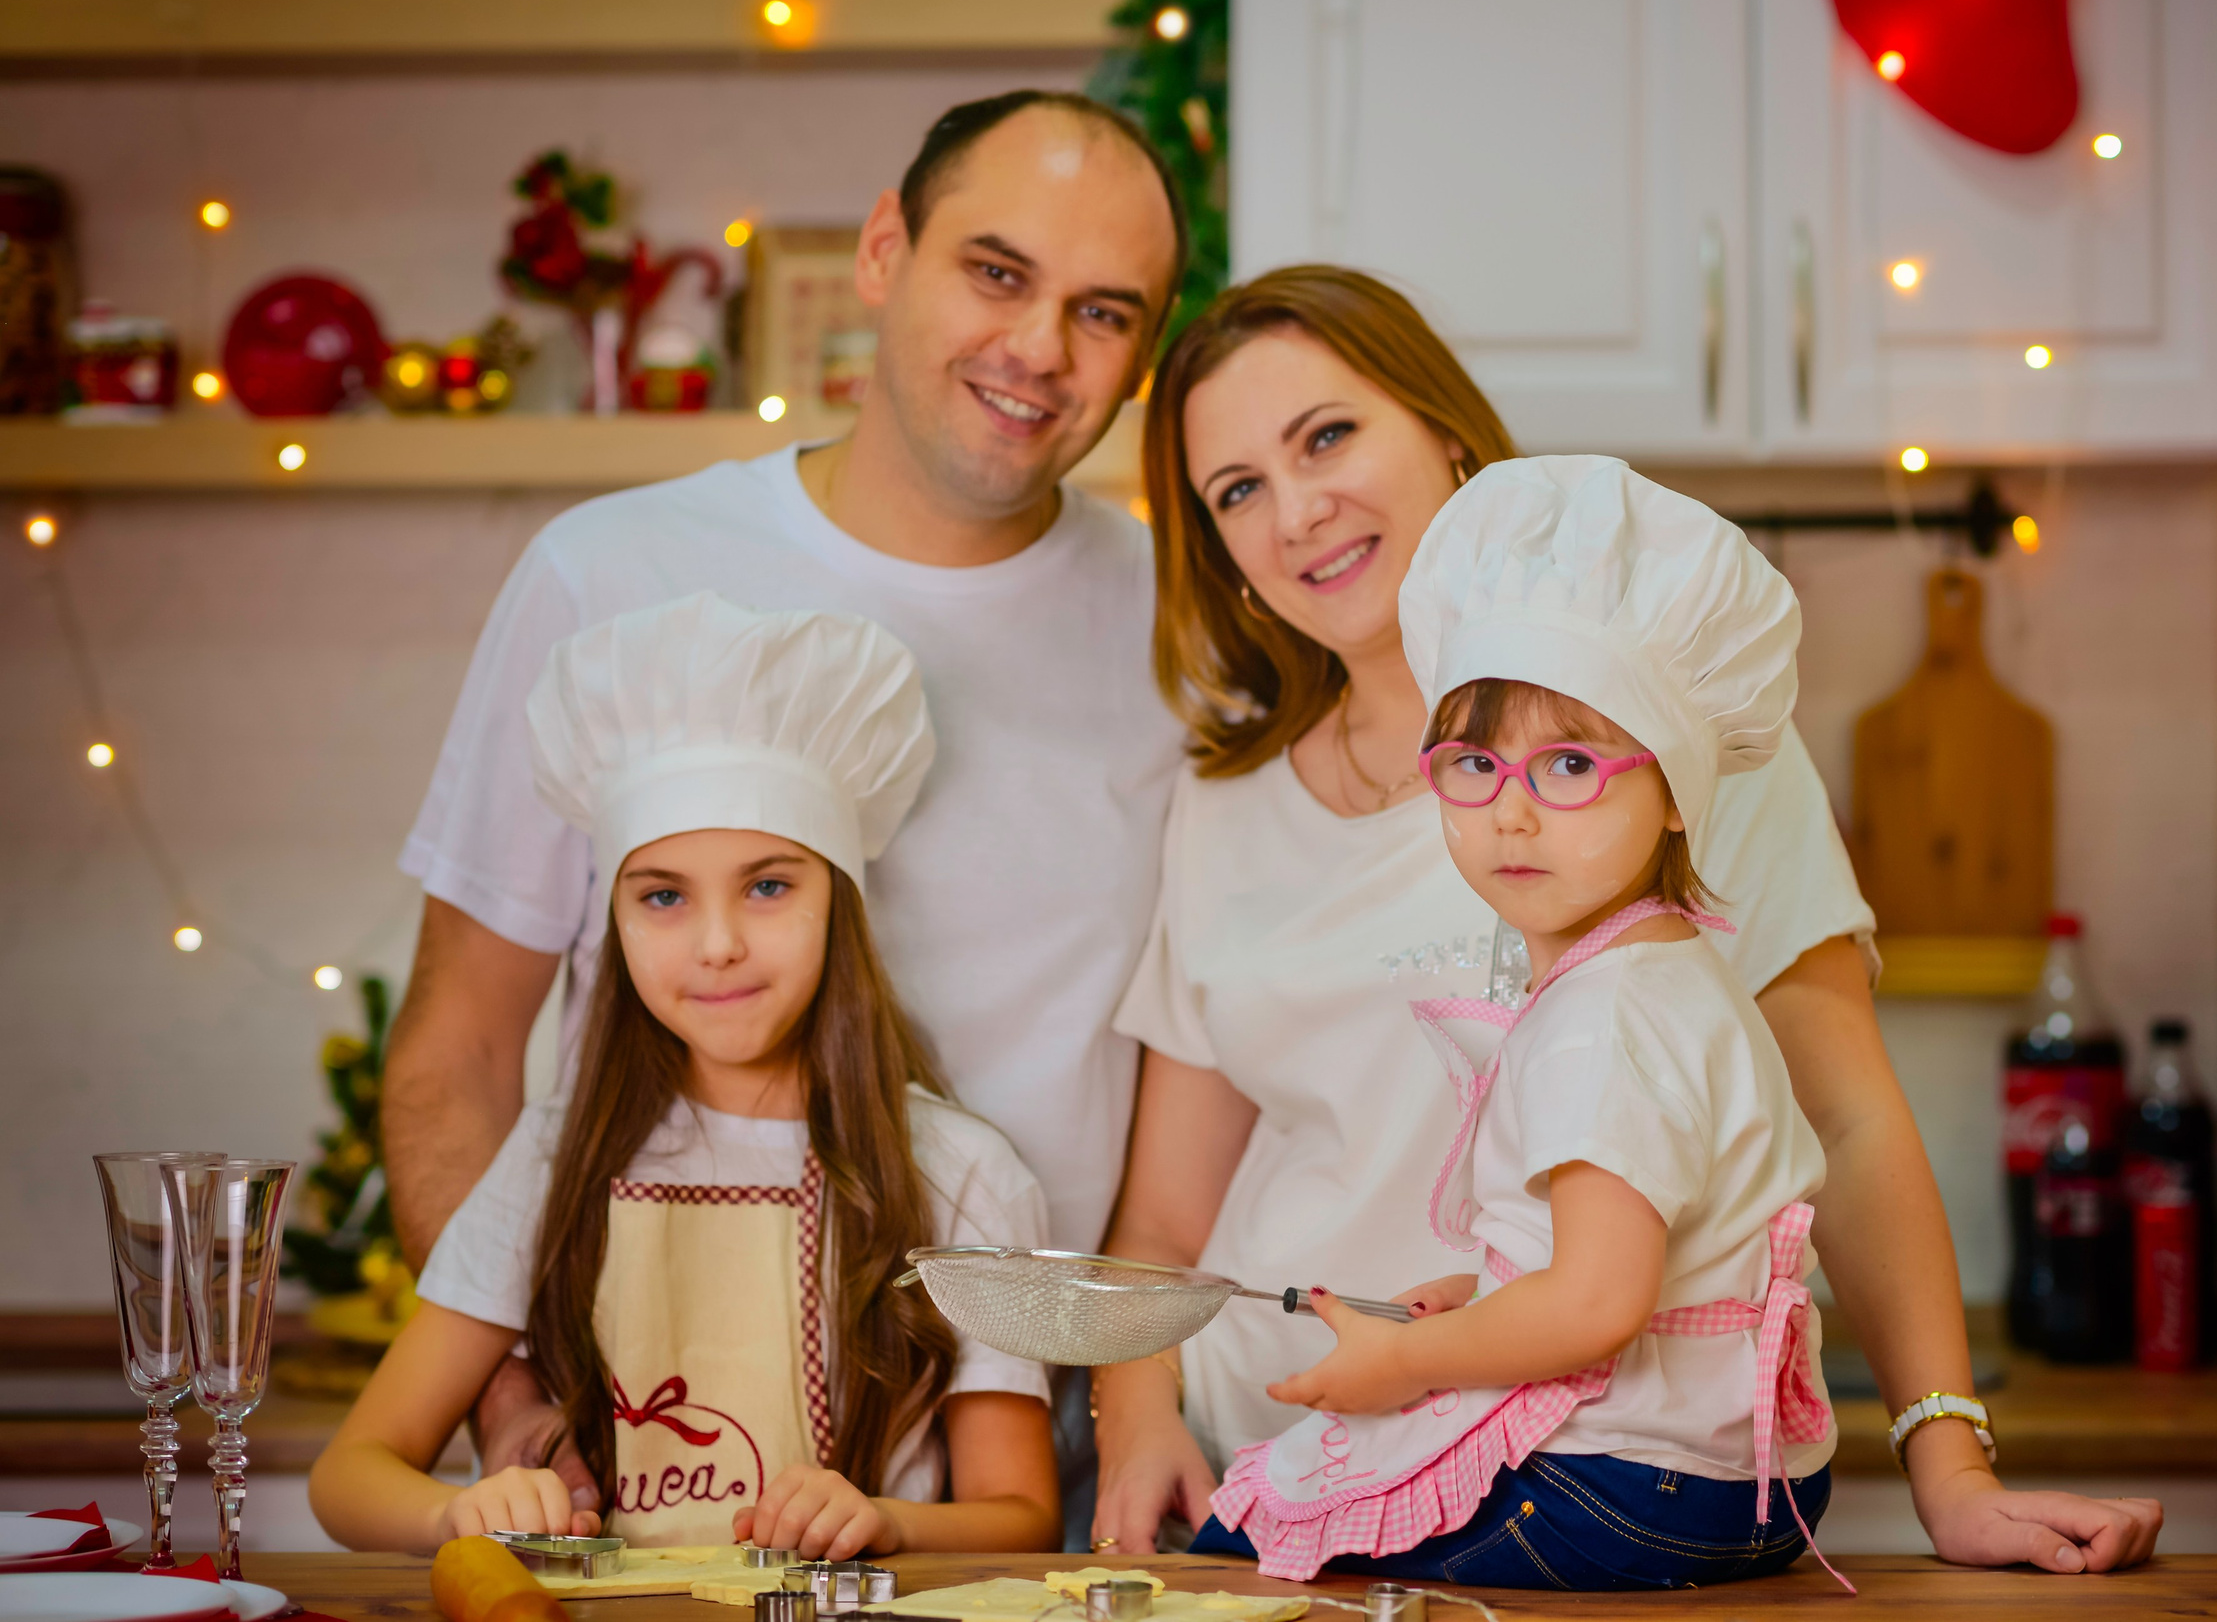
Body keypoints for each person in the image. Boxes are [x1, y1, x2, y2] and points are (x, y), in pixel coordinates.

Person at [1092, 267, 2164, 1574]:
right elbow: (1161, 1222)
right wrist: (1136, 1414)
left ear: (1445, 431)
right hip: (1265, 1475)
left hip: (1561, 1488)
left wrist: (1952, 1462)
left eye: (1327, 435)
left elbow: (1844, 1118)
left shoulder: (1678, 752)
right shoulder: (1226, 805)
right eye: (1237, 490)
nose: (1297, 509)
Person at [383, 90, 1188, 1505]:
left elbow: (1206, 1061)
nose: (1038, 349)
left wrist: (1123, 1410)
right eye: (996, 272)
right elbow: (459, 1042)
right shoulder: (608, 571)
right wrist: (512, 1405)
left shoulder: (1182, 628)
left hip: (1023, 1464)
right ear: (884, 250)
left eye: (1105, 312)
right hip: (652, 1431)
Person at [1192, 455, 1842, 1589]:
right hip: (1757, 1487)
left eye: (1573, 764)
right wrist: (1484, 1301)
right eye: (1476, 765)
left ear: (1677, 789)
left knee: (1250, 1538)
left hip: (1625, 1479)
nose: (1514, 811)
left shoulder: (1605, 1017)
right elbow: (1615, 1260)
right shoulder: (1670, 973)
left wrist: (1406, 1362)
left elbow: (1594, 1303)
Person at [313, 594, 1055, 1555]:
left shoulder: (957, 1170)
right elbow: (350, 1473)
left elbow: (1023, 1516)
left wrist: (886, 1520)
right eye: (663, 895)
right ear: (614, 924)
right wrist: (456, 1512)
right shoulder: (555, 1156)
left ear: (843, 903)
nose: (716, 944)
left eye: (769, 885)